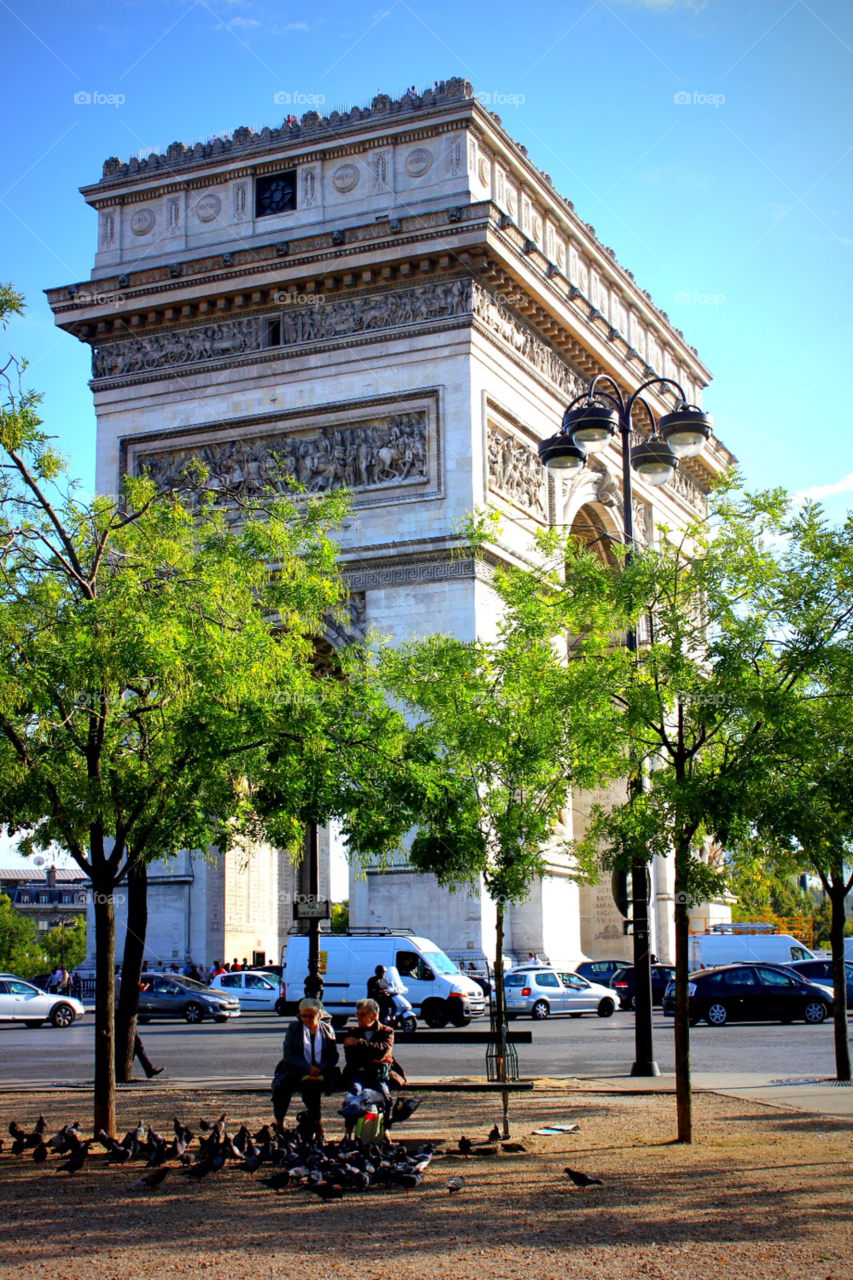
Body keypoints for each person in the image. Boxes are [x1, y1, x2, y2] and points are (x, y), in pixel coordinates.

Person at [271, 998, 338, 1140]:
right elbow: (289, 1054)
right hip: (296, 1069)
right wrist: (307, 1068)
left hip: (321, 1070)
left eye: (310, 1016)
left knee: (311, 1088)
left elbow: (333, 1056)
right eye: (303, 1015)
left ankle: (318, 1124)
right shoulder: (294, 1029)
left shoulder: (327, 1030)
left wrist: (319, 1068)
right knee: (281, 1086)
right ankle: (279, 1125)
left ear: (318, 1015)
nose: (306, 1019)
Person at [342, 998, 395, 1124]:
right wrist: (374, 1058)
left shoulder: (386, 1032)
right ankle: (348, 1133)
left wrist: (359, 1043)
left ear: (374, 1015)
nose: (359, 1017)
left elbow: (382, 1050)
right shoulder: (352, 1032)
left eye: (363, 1014)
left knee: (385, 1096)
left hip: (377, 1074)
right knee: (354, 1095)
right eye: (357, 1014)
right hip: (357, 1073)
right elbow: (351, 1057)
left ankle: (384, 1129)